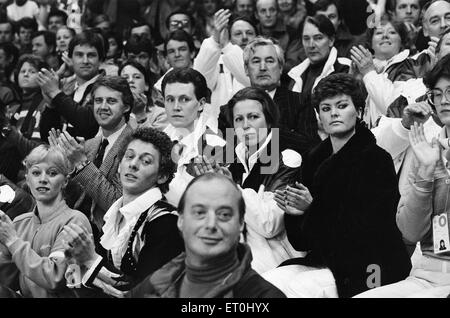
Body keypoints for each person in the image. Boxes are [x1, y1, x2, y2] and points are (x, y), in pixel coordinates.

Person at [264, 73, 411, 298]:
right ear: (318, 115)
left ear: (359, 111)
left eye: (342, 106)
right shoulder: (313, 159)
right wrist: (294, 213)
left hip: (373, 263)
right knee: (266, 282)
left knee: (299, 288)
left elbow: (365, 234)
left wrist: (311, 210)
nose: (333, 113)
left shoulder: (376, 159)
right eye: (325, 108)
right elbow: (301, 242)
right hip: (326, 260)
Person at [61, 128, 184, 297]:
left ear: (162, 176)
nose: (133, 164)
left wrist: (90, 259)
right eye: (129, 156)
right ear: (119, 166)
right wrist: (75, 264)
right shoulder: (115, 215)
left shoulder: (165, 223)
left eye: (146, 161)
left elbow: (143, 293)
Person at [128, 172, 286, 298]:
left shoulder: (263, 296)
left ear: (240, 224)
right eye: (199, 212)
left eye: (224, 215)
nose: (211, 224)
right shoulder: (159, 280)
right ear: (180, 220)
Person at [225, 87, 304, 273]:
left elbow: (269, 223)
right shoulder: (232, 162)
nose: (245, 125)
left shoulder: (287, 158)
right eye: (239, 119)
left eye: (253, 117)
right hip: (237, 253)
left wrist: (231, 189)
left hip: (277, 262)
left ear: (269, 122)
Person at [0, 144, 92, 298]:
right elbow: (9, 281)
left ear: (65, 181)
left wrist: (12, 241)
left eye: (52, 173)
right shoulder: (19, 222)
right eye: (36, 173)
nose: (43, 179)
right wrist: (4, 254)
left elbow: (55, 279)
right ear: (27, 180)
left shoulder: (75, 220)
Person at [46, 76, 134, 235]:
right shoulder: (91, 144)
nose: (103, 106)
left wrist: (82, 164)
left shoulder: (134, 145)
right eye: (98, 101)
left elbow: (117, 203)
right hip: (75, 225)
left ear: (126, 107)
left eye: (111, 101)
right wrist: (65, 165)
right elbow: (77, 197)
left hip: (108, 235)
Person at [237, 36, 320, 156]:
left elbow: (311, 147)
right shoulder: (230, 108)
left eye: (270, 61)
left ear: (281, 68)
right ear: (246, 69)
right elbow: (229, 155)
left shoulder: (300, 102)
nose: (263, 68)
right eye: (256, 61)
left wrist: (268, 131)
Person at [161, 68, 226, 207]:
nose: (176, 107)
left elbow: (207, 202)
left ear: (201, 104)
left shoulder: (216, 146)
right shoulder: (157, 140)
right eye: (170, 99)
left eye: (184, 99)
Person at [37, 30, 106, 139]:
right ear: (70, 58)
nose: (85, 61)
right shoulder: (66, 88)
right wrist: (51, 106)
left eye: (91, 55)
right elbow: (47, 137)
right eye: (79, 55)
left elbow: (89, 124)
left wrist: (55, 93)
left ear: (101, 59)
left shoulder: (108, 87)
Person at [193, 10, 254, 113]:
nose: (244, 37)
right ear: (229, 37)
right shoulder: (215, 61)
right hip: (219, 127)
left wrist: (227, 47)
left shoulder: (263, 63)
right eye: (238, 34)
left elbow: (252, 80)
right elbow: (199, 79)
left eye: (249, 33)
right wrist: (215, 39)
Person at [285, 15, 351, 103]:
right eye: (306, 39)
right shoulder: (296, 73)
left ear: (331, 40)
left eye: (318, 38)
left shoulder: (344, 67)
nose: (311, 45)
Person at [119, 60, 168, 130]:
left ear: (146, 86)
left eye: (136, 77)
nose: (130, 80)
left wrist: (141, 115)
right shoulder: (114, 112)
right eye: (125, 78)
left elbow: (158, 140)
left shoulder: (160, 114)